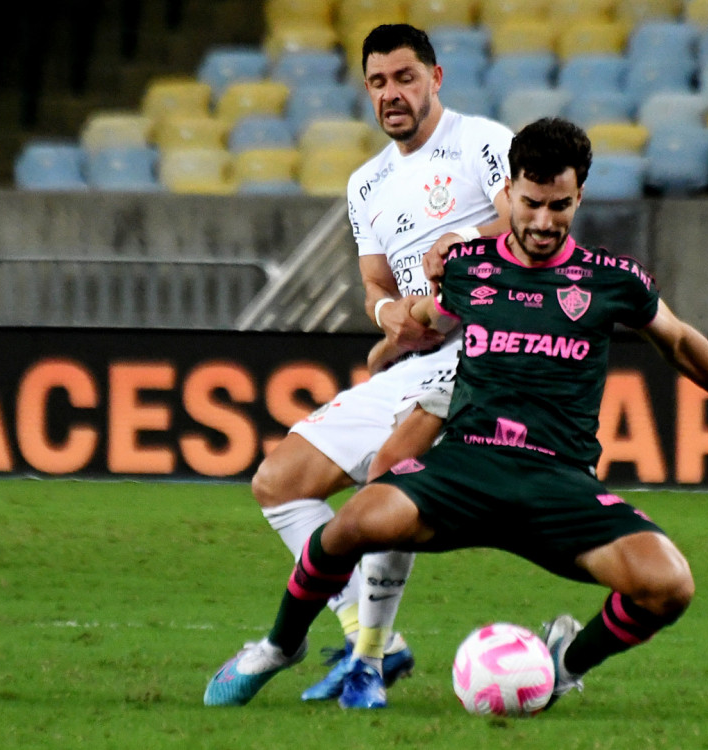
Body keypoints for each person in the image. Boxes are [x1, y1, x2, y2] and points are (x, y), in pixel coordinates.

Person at [205, 117, 708, 709]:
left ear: (578, 198)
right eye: (529, 203)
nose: (541, 219)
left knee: (669, 586)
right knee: (350, 525)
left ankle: (563, 666)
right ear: (508, 192)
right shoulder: (468, 268)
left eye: (558, 205)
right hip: (464, 470)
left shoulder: (611, 279)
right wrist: (388, 341)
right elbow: (427, 319)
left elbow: (679, 341)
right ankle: (279, 647)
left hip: (558, 483)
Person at [245, 23, 513, 709]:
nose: (391, 93)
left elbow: (528, 224)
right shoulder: (365, 183)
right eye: (378, 82)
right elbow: (373, 284)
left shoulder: (483, 142)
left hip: (482, 350)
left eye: (404, 77)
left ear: (435, 78)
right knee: (279, 481)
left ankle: (364, 660)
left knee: (387, 484)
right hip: (414, 356)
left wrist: (461, 242)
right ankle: (371, 637)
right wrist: (387, 316)